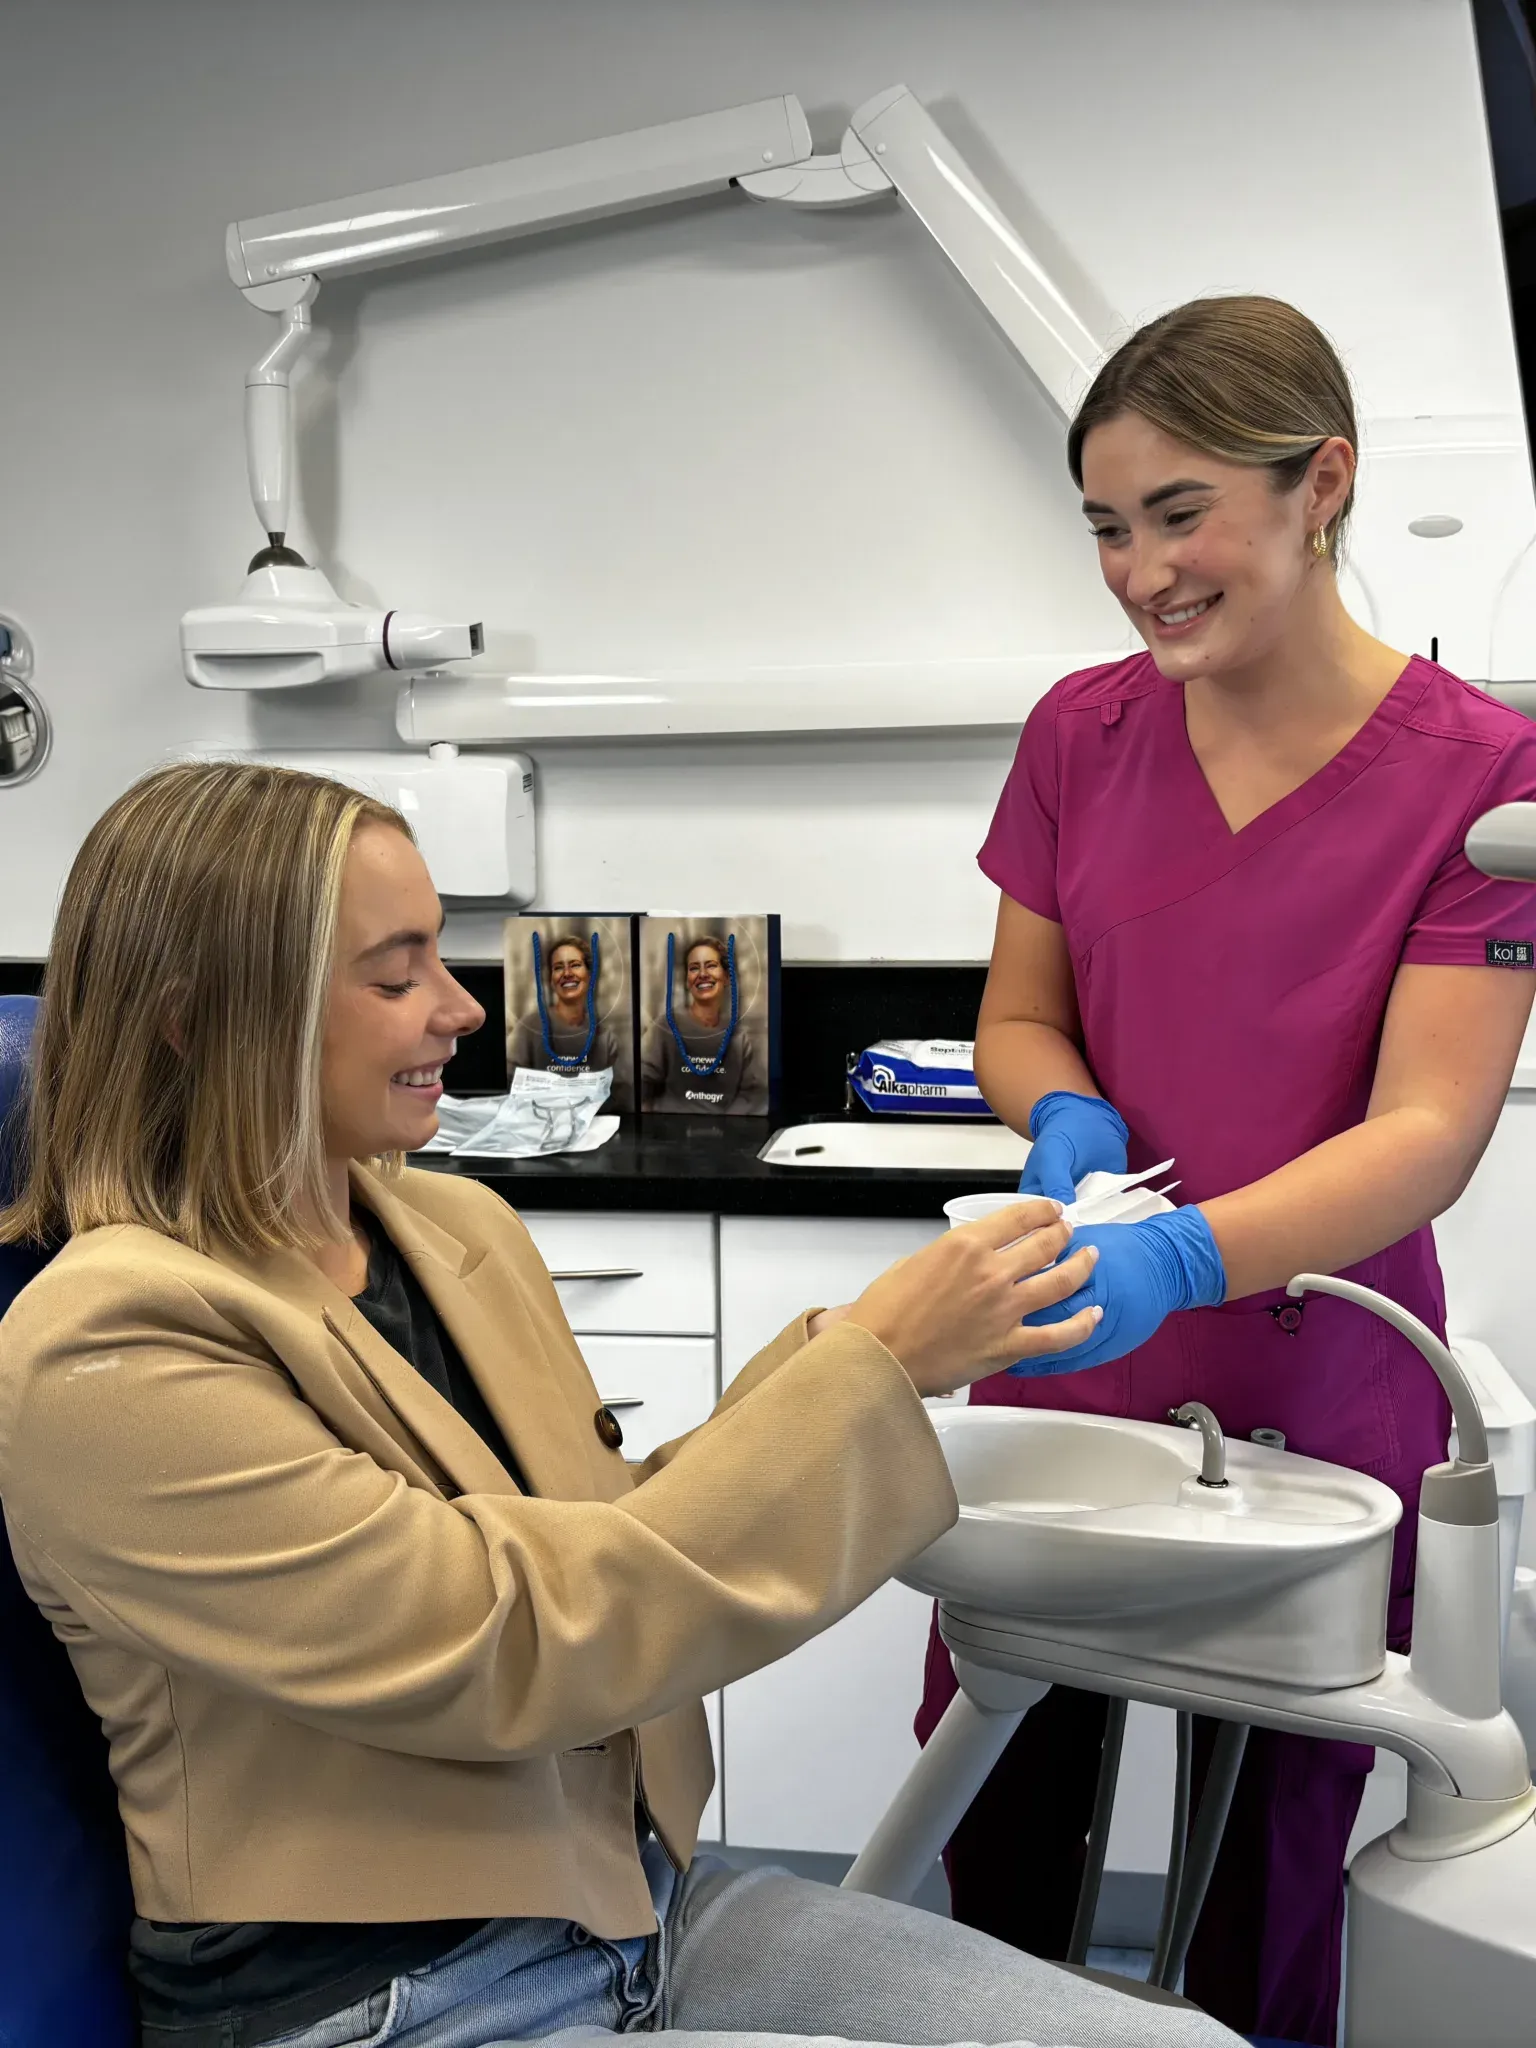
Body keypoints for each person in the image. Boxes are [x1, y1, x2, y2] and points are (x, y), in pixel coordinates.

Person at [0, 761, 1246, 2048]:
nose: (460, 1008)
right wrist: (874, 1359)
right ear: (194, 1021)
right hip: (388, 2003)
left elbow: (612, 1525)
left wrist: (882, 1353)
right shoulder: (108, 1353)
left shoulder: (449, 1225)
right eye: (395, 973)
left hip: (630, 1907)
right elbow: (520, 1640)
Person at [916, 296, 1536, 2048]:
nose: (1137, 570)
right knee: (1000, 1797)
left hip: (1316, 1358)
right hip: (1067, 1338)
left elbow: (1426, 1129)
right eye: (1108, 526)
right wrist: (1067, 1124)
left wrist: (1187, 1257)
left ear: (1319, 483)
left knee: (1279, 1853)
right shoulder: (1078, 734)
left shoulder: (1486, 779)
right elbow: (1020, 1015)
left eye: (1178, 513)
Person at [641, 933, 766, 1114]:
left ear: (727, 977)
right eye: (693, 968)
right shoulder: (666, 1026)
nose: (702, 974)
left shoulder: (739, 1038)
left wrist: (727, 1124)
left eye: (711, 966)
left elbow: (752, 1094)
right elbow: (641, 1084)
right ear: (687, 981)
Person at [508, 933, 622, 1078]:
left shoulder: (605, 1038)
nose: (567, 973)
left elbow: (618, 1093)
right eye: (558, 967)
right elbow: (509, 1083)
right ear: (551, 979)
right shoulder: (528, 1029)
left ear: (590, 975)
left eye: (575, 965)